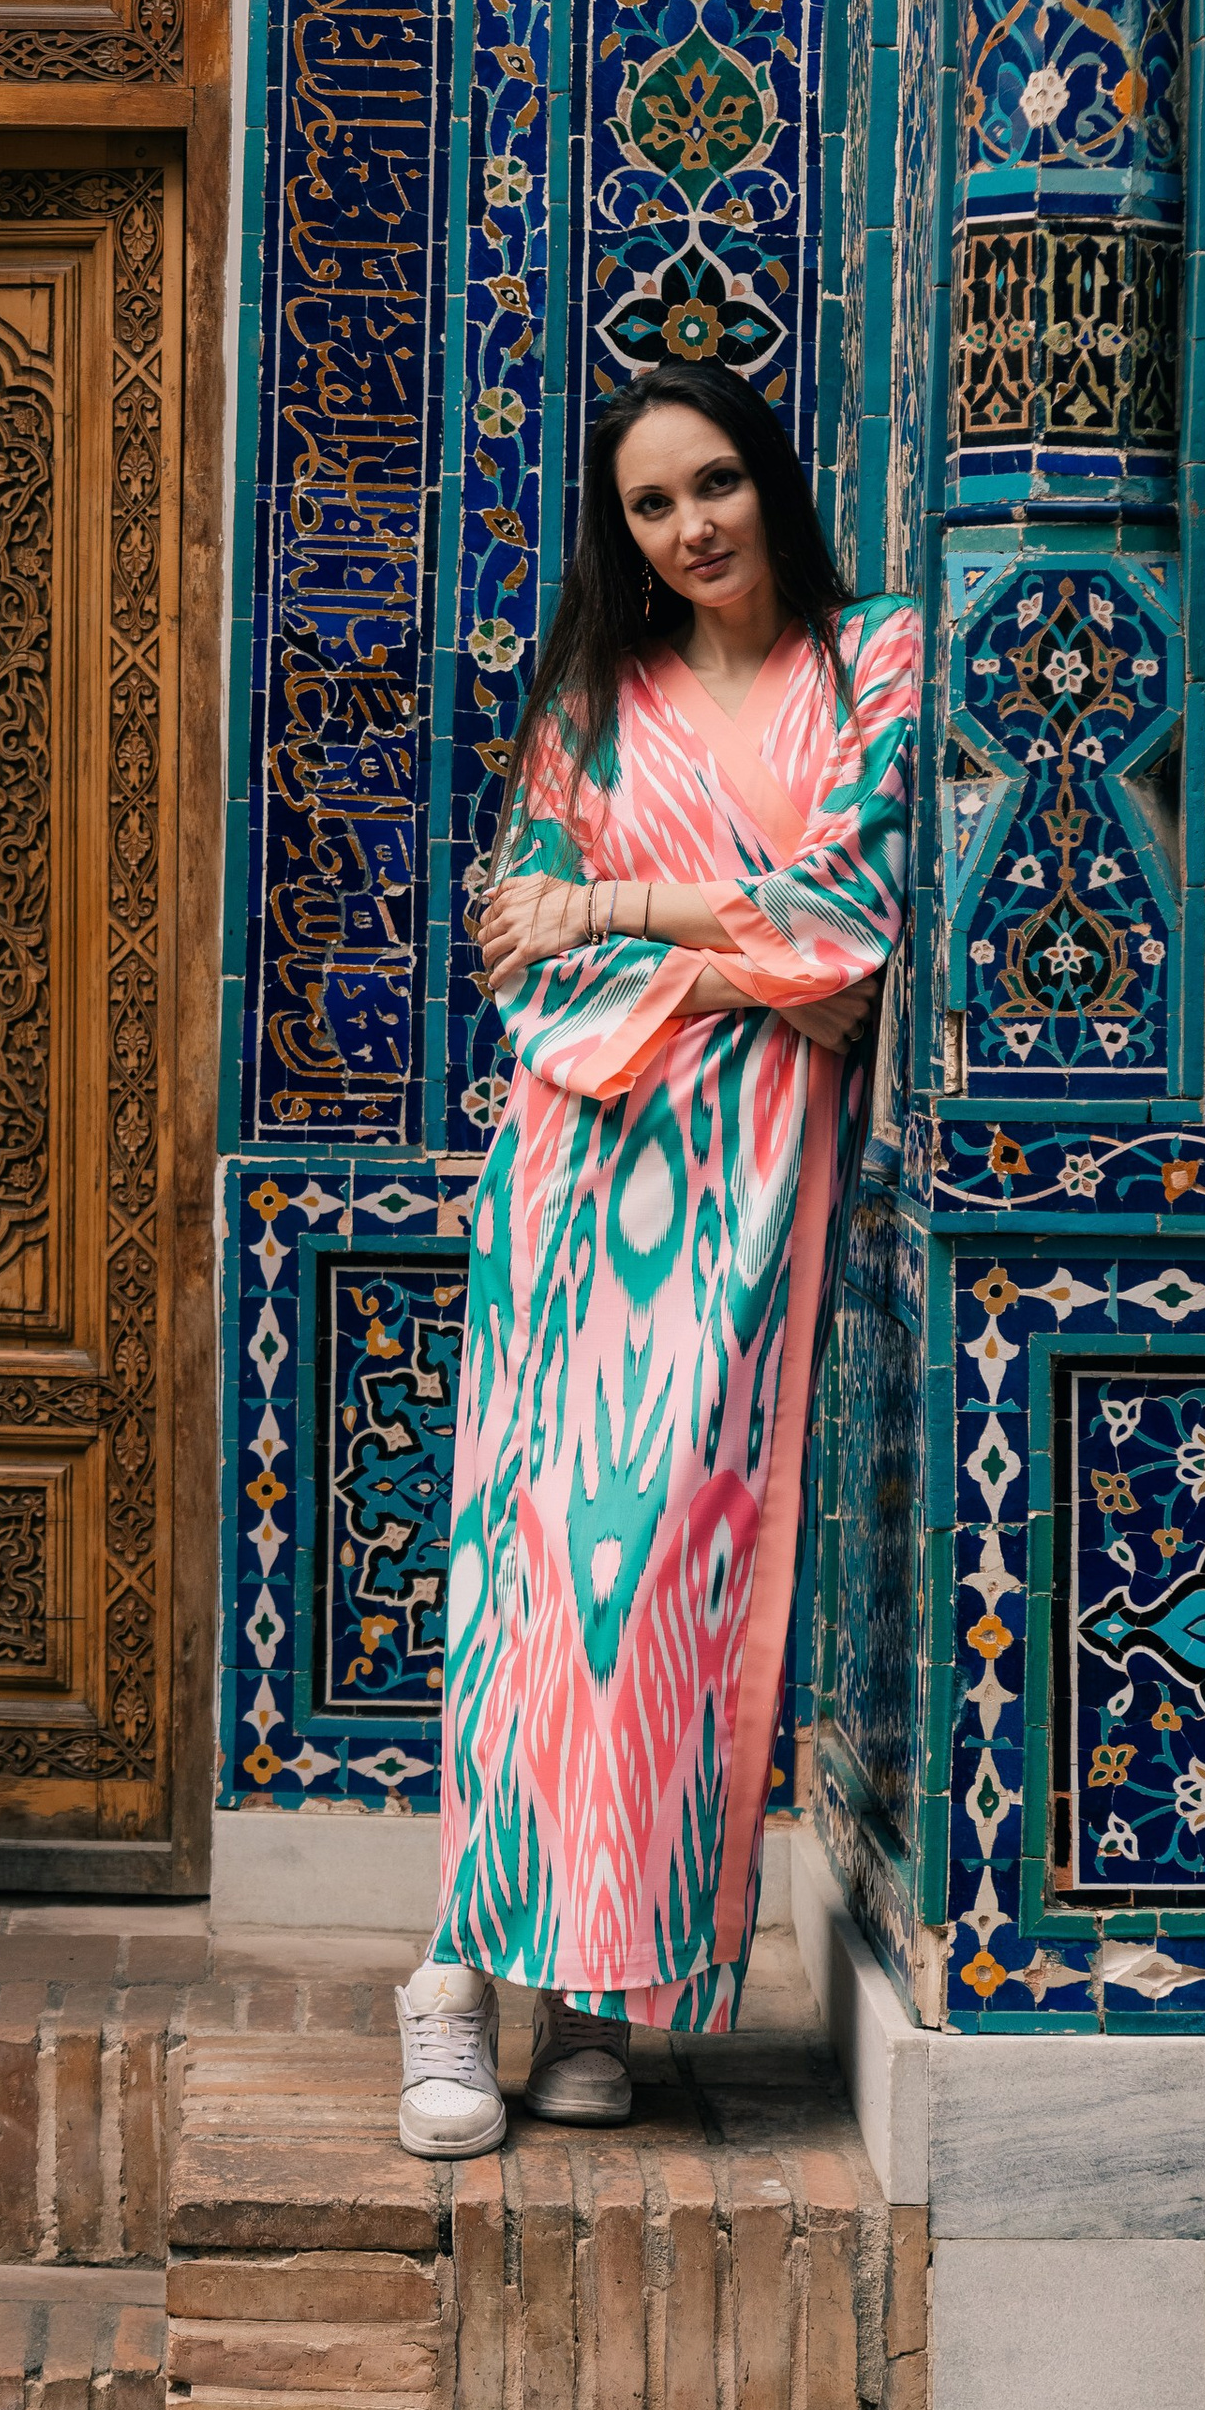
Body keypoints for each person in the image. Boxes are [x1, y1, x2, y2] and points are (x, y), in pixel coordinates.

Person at [396, 365, 921, 2157]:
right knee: (539, 1581)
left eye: (715, 485)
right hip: (578, 1182)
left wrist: (630, 913)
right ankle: (458, 1982)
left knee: (667, 1584)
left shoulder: (878, 665)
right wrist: (751, 961)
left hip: (751, 1193)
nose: (691, 527)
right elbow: (515, 955)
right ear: (619, 532)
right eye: (649, 505)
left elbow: (861, 913)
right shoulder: (590, 708)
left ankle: (601, 1990)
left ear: (769, 480)